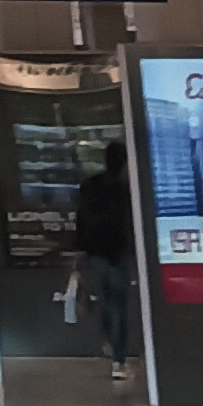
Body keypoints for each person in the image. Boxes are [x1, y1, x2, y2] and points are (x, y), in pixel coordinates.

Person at [72, 139, 134, 381]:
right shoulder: (126, 188)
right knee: (121, 305)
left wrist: (79, 250)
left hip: (97, 253)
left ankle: (108, 340)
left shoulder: (90, 186)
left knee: (106, 301)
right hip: (119, 253)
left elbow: (81, 220)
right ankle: (119, 359)